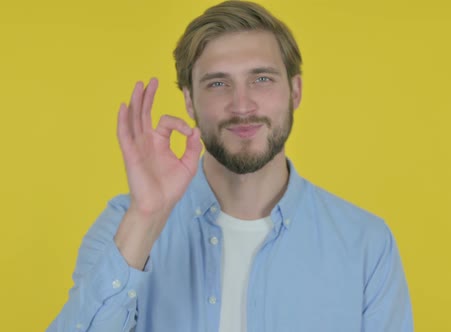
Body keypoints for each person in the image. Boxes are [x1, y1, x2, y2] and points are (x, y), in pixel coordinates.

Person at [48, 1, 413, 331]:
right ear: (190, 102)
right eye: (218, 83)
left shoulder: (366, 244)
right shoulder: (124, 225)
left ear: (295, 91)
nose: (242, 105)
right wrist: (146, 217)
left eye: (262, 79)